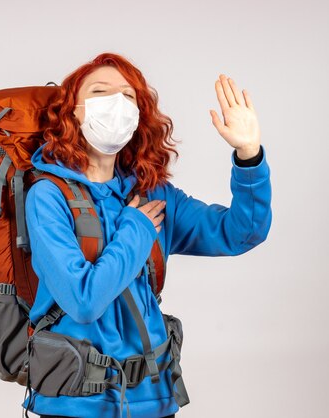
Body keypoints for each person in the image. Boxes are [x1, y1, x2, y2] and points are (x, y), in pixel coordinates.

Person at [21, 52, 271, 418]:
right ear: (74, 111)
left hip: (155, 400)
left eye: (127, 96)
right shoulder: (48, 196)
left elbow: (241, 233)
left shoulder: (154, 194)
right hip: (74, 404)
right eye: (101, 92)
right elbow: (83, 300)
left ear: (139, 114)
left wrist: (248, 155)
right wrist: (135, 230)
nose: (116, 105)